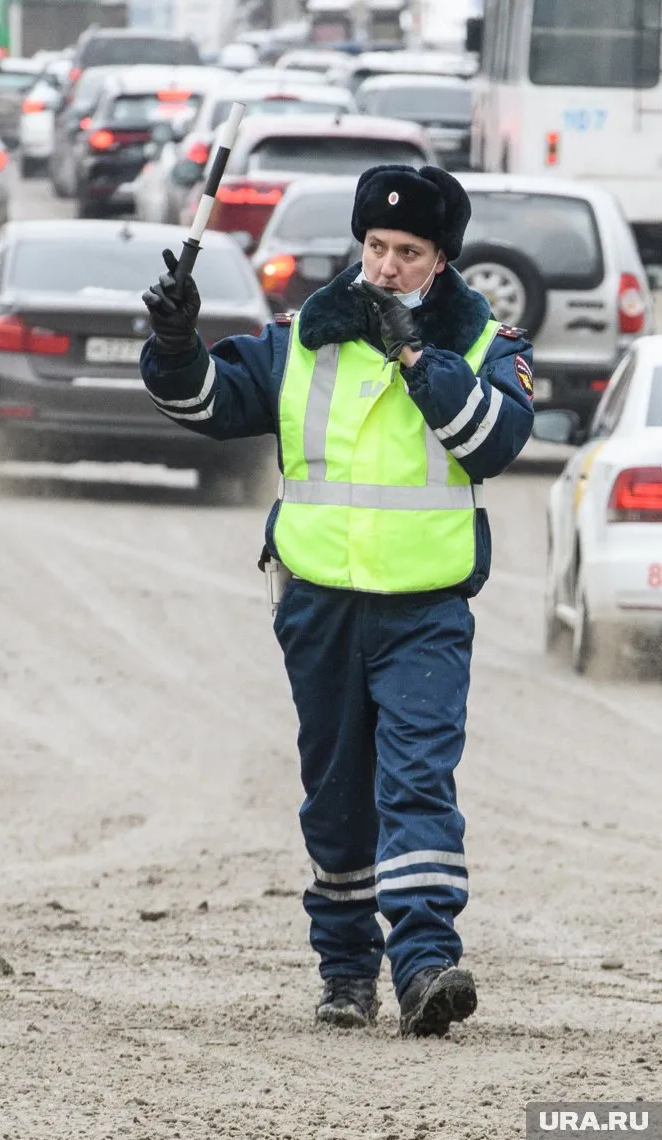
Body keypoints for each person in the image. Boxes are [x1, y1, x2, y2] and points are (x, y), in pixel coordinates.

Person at [139, 165, 535, 1038]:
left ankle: (427, 965)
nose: (386, 267)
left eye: (408, 253)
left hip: (425, 610)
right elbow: (202, 401)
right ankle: (347, 971)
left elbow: (495, 441)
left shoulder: (484, 345)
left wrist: (414, 357)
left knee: (417, 781)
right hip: (316, 606)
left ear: (442, 261)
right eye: (375, 248)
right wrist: (174, 339)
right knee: (336, 796)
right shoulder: (300, 339)